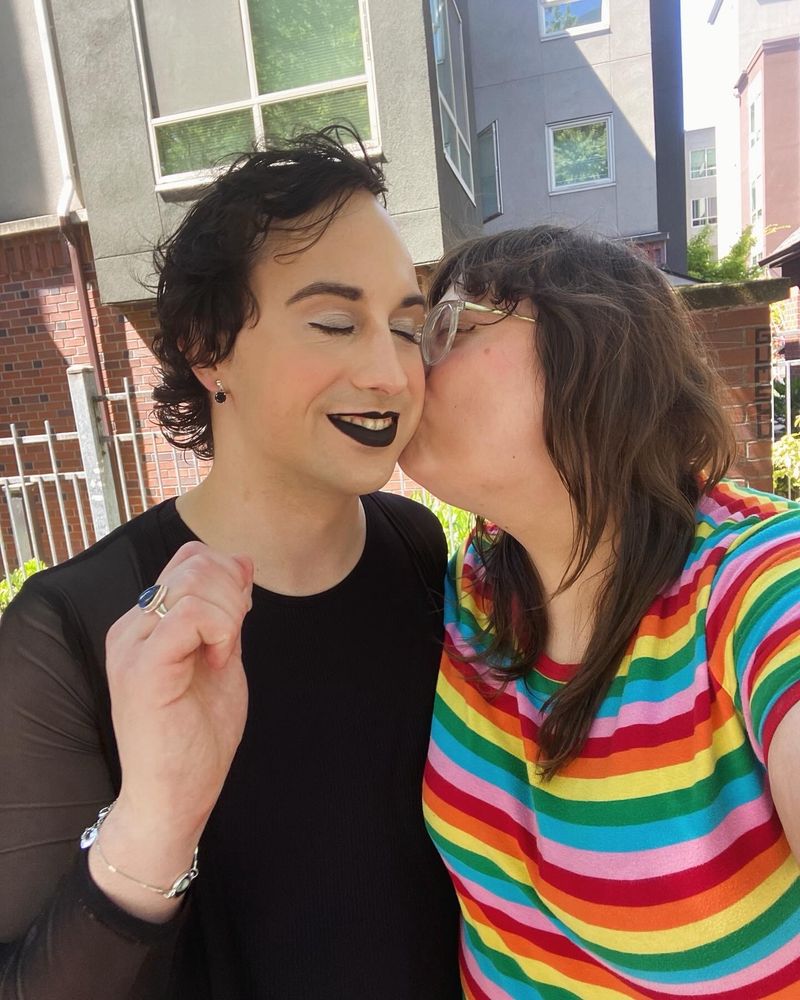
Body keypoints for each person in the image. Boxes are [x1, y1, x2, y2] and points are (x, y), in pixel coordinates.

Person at [0, 128, 460, 999]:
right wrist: (156, 818)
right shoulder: (67, 631)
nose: (390, 373)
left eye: (406, 328)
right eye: (335, 323)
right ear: (208, 348)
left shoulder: (417, 547)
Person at [400, 225, 800, 999]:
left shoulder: (759, 586)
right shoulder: (474, 592)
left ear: (598, 349)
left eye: (448, 325)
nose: (409, 361)